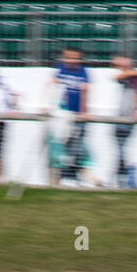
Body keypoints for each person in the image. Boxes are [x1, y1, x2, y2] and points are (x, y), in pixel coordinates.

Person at [51, 48, 90, 186]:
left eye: (75, 58)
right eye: (68, 57)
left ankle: (71, 178)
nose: (72, 61)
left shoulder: (83, 72)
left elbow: (85, 91)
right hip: (62, 117)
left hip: (76, 117)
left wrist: (83, 111)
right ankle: (61, 179)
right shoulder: (60, 69)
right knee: (61, 149)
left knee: (75, 149)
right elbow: (52, 86)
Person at [110, 55, 137, 189]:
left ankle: (121, 181)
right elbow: (116, 77)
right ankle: (119, 180)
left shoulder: (134, 76)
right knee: (120, 152)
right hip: (119, 119)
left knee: (122, 152)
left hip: (127, 121)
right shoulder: (126, 76)